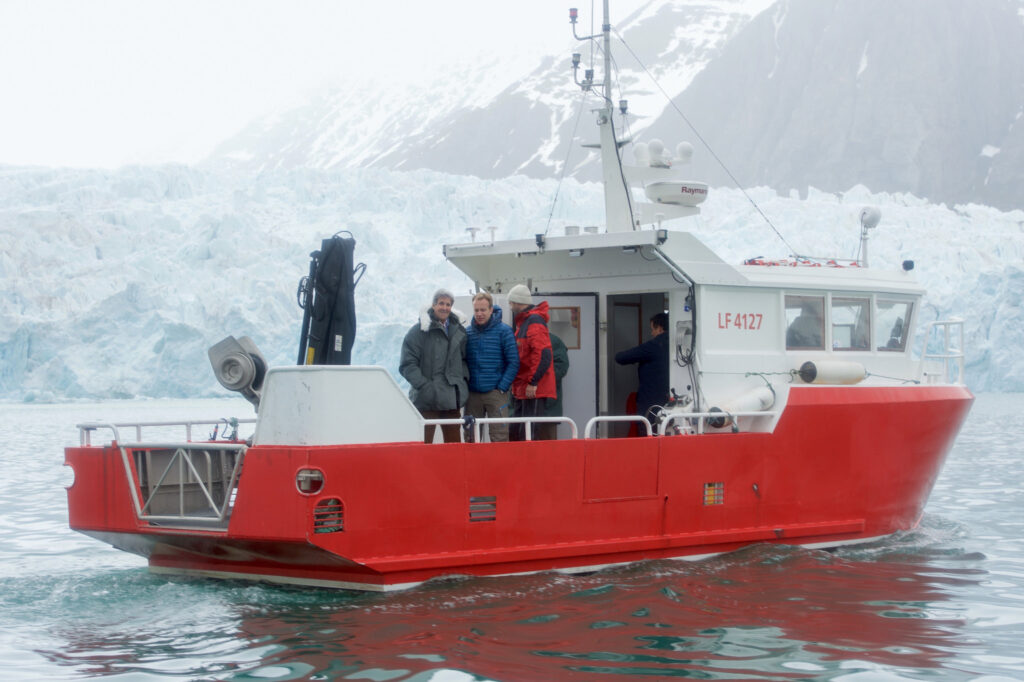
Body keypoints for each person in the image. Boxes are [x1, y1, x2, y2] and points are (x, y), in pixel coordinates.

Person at [399, 288, 469, 443]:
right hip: (427, 400)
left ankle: (452, 468)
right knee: (424, 446)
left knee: (454, 447)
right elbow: (407, 364)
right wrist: (425, 386)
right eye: (441, 303)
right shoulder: (418, 331)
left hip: (452, 399)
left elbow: (464, 359)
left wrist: (462, 381)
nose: (444, 307)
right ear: (433, 305)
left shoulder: (459, 331)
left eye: (448, 304)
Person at [465, 291, 519, 442]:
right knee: (471, 438)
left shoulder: (504, 331)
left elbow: (513, 361)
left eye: (483, 310)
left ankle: (499, 466)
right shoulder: (468, 333)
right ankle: (473, 466)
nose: (479, 314)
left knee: (499, 437)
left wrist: (502, 387)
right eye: (476, 310)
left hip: (496, 394)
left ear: (491, 310)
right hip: (473, 395)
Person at [506, 284, 556, 441]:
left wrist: (533, 382)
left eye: (511, 302)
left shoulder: (533, 322)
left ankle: (528, 463)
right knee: (519, 431)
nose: (510, 306)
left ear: (517, 302)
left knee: (528, 433)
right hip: (524, 387)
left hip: (533, 389)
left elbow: (543, 354)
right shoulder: (525, 322)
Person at [615, 311, 669, 432]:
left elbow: (621, 357)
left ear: (659, 328)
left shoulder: (654, 345)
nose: (652, 333)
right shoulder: (677, 345)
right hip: (669, 402)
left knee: (648, 433)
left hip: (651, 403)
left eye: (652, 329)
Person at [536, 332, 569, 441]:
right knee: (522, 442)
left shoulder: (553, 341)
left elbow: (561, 367)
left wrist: (535, 379)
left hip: (548, 403)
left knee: (548, 443)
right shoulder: (518, 338)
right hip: (521, 403)